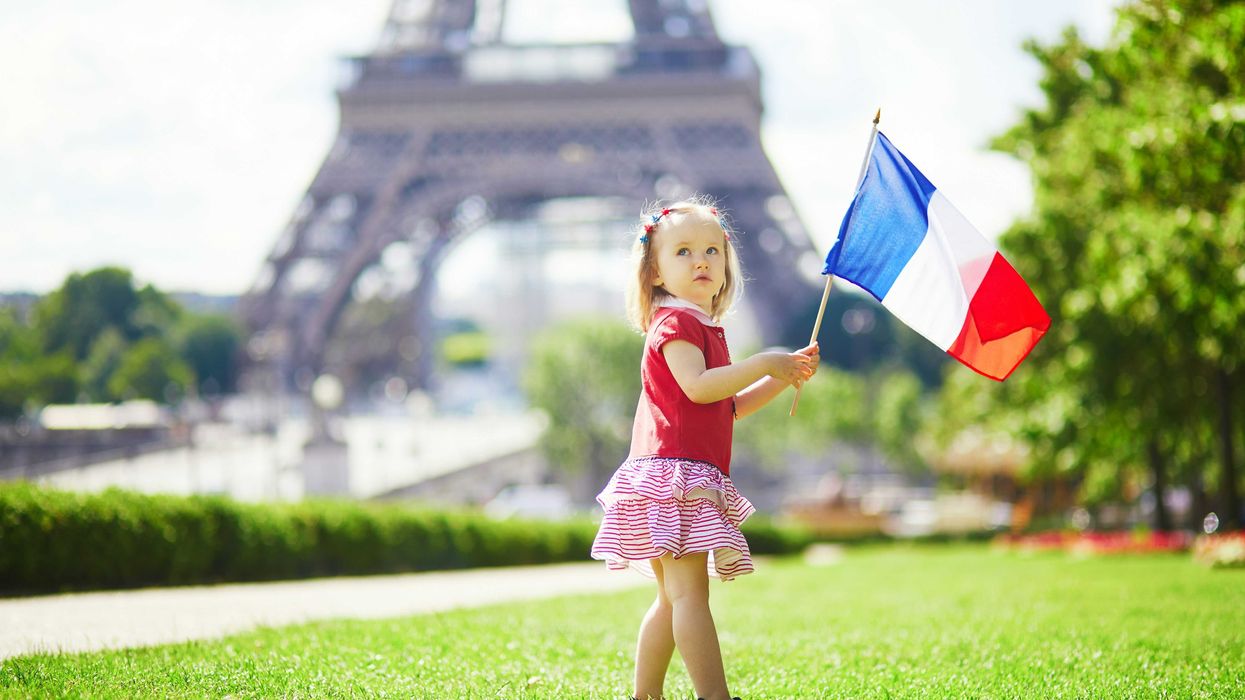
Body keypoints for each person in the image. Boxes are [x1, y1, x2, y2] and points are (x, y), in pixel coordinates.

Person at [591, 198, 820, 700]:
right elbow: (698, 387)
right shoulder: (675, 326)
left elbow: (727, 405)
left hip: (675, 472)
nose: (701, 260)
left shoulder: (703, 328)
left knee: (673, 599)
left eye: (712, 251)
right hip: (673, 475)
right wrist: (764, 361)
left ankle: (645, 695)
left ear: (725, 268)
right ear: (654, 272)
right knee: (690, 595)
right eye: (684, 251)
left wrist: (782, 376)